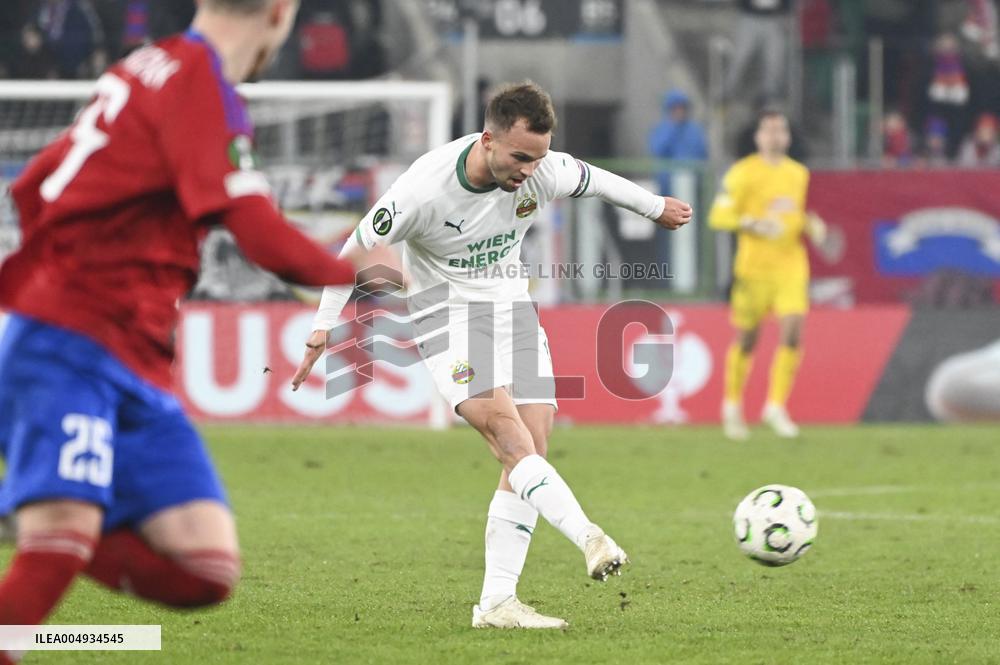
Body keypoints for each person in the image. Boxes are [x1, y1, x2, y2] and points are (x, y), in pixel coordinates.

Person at [0, 0, 357, 658]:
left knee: (203, 568)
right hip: (70, 339)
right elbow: (258, 232)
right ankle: (33, 517)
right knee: (62, 536)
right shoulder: (199, 82)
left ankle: (19, 505)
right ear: (280, 11)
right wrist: (357, 269)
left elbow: (34, 184)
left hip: (129, 354)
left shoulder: (142, 66)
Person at [291, 81, 692, 629]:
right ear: (488, 140)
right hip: (447, 316)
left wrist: (655, 207)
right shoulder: (424, 189)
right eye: (520, 157)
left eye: (539, 158)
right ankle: (590, 537)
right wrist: (321, 329)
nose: (530, 170)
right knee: (511, 438)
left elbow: (595, 180)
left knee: (534, 445)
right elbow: (352, 250)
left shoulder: (542, 168)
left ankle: (498, 603)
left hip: (512, 308)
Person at [708, 109, 825, 441]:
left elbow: (795, 215)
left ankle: (775, 407)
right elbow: (718, 216)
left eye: (780, 130)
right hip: (753, 269)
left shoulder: (798, 174)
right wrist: (751, 223)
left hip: (790, 265)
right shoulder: (742, 174)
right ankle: (732, 406)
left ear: (787, 137)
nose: (775, 136)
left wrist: (811, 226)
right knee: (748, 339)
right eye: (769, 130)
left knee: (792, 331)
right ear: (758, 137)